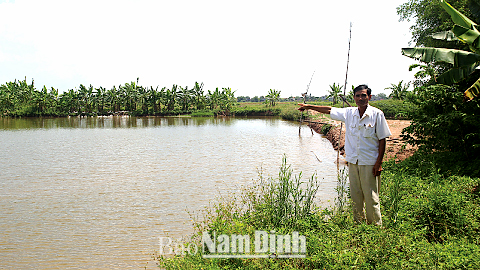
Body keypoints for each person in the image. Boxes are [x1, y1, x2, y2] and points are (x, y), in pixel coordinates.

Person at [298, 85, 391, 226]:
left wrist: (379, 163)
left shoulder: (377, 114)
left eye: (363, 95)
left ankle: (375, 229)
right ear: (354, 98)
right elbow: (329, 109)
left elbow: (382, 140)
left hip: (369, 162)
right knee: (356, 196)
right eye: (358, 95)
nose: (360, 98)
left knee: (371, 197)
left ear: (369, 97)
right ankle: (358, 225)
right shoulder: (349, 113)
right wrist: (308, 106)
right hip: (353, 162)